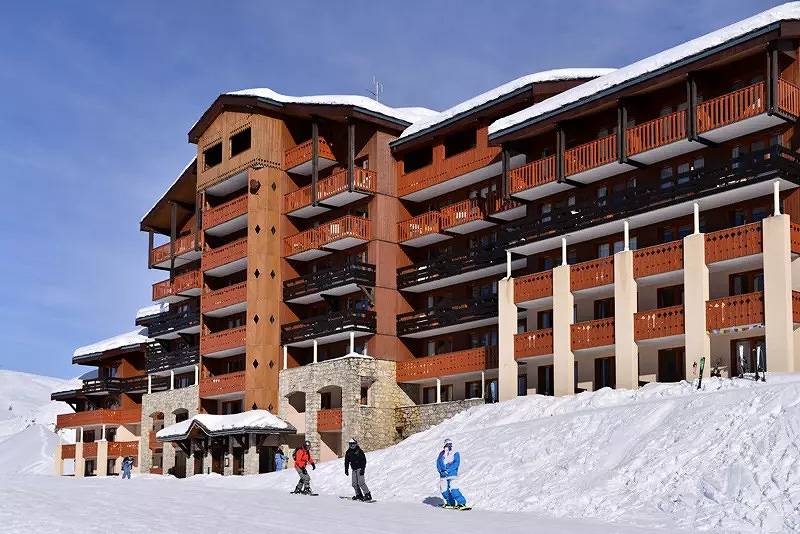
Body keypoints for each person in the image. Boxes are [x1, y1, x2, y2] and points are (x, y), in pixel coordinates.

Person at [436, 438, 466, 508]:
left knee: (453, 488)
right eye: (447, 444)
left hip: (452, 474)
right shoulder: (441, 453)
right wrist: (441, 471)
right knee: (443, 489)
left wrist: (448, 470)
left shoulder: (455, 452)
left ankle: (461, 503)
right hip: (443, 475)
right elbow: (438, 463)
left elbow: (456, 463)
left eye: (450, 444)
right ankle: (450, 503)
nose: (448, 445)